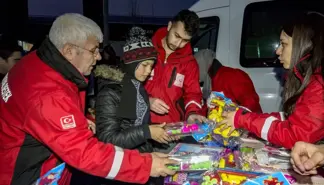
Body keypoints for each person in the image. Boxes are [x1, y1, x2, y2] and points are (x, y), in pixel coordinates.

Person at [0, 13, 176, 185]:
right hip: (28, 174)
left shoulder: (37, 63)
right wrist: (146, 164)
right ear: (69, 51)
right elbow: (84, 151)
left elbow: (39, 116)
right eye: (93, 50)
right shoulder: (48, 94)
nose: (99, 57)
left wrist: (77, 120)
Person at [220, 12, 324, 149]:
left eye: (284, 44)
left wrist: (242, 119)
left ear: (304, 44)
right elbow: (292, 119)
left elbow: (295, 136)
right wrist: (246, 117)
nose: (277, 51)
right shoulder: (313, 77)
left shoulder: (323, 84)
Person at [95, 27, 172, 153]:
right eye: (144, 65)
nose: (148, 71)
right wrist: (148, 132)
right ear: (131, 64)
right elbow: (108, 139)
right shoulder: (109, 93)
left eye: (151, 66)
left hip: (140, 156)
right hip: (122, 163)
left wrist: (159, 132)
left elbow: (136, 126)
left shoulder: (137, 88)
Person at [144, 9, 206, 125]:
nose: (178, 44)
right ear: (169, 26)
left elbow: (193, 93)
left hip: (171, 128)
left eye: (185, 41)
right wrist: (147, 101)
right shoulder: (145, 51)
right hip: (141, 125)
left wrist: (192, 113)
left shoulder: (189, 63)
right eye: (176, 36)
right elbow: (129, 85)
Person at [194, 49, 262, 113]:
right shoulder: (209, 81)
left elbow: (251, 103)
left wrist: (235, 112)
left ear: (202, 65)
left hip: (245, 122)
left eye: (195, 68)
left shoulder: (232, 76)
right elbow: (207, 109)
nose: (194, 73)